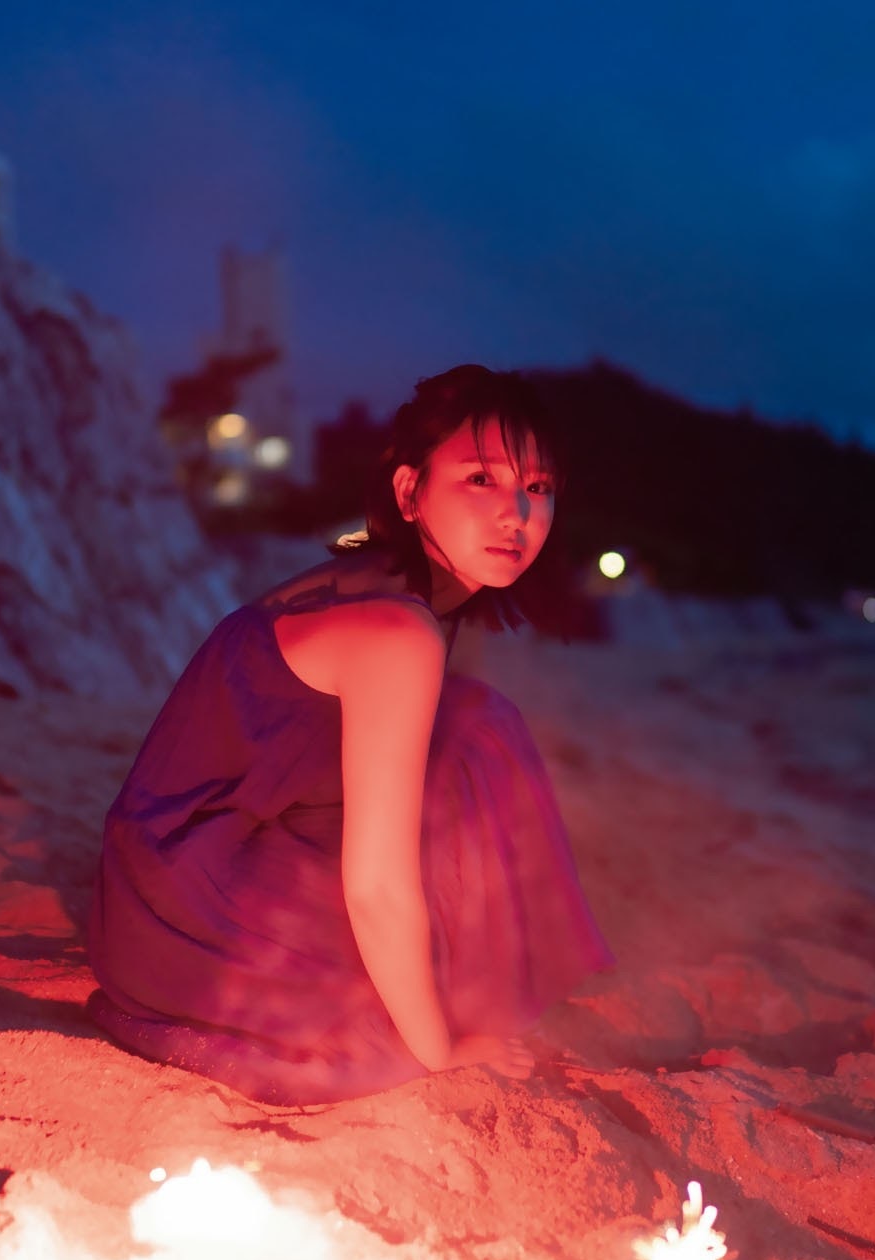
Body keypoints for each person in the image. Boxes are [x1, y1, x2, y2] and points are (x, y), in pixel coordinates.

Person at [87, 364, 614, 1106]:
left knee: (473, 727)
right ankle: (405, 1016)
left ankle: (424, 989)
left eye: (537, 486)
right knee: (473, 749)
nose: (515, 513)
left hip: (176, 872)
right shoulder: (397, 632)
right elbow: (376, 887)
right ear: (409, 491)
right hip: (178, 917)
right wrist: (439, 1052)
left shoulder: (395, 592)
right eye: (481, 479)